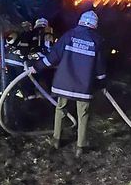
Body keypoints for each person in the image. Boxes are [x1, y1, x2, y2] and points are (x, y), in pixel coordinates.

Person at [33, 11, 107, 157]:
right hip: (84, 85)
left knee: (60, 109)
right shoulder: (97, 41)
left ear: (80, 21)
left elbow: (53, 57)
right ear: (94, 25)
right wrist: (102, 82)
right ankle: (80, 147)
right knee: (83, 114)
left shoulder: (69, 35)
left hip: (64, 83)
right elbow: (100, 67)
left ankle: (56, 140)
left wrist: (36, 66)